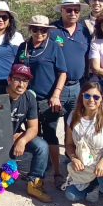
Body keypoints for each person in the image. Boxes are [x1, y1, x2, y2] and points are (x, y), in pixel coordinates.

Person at [13, 15, 68, 188]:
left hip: (48, 98)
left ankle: (57, 173)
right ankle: (34, 172)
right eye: (35, 29)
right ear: (30, 30)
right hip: (26, 99)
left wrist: (56, 95)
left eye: (43, 30)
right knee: (30, 134)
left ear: (47, 31)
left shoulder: (54, 47)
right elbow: (16, 70)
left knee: (50, 134)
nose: (39, 33)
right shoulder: (23, 47)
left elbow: (62, 72)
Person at [0, 65, 51, 202]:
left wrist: (22, 140)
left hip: (16, 136)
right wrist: (7, 137)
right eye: (17, 79)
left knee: (42, 146)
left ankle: (34, 183)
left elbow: (33, 128)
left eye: (25, 81)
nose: (21, 84)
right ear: (9, 79)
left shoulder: (29, 98)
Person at [49, 0, 91, 117]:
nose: (73, 13)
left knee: (74, 125)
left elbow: (87, 55)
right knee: (51, 124)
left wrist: (86, 77)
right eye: (69, 10)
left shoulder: (84, 31)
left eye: (76, 10)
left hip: (77, 86)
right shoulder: (52, 30)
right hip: (55, 86)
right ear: (61, 10)